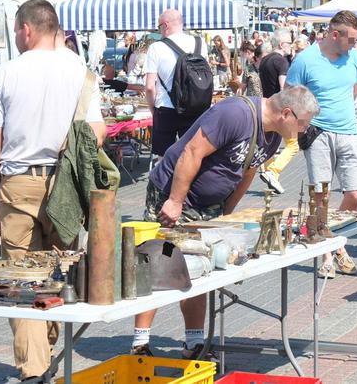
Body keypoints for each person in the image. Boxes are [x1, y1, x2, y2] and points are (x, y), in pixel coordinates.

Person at [131, 86, 319, 358]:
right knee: (157, 264)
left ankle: (193, 343)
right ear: (286, 114)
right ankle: (140, 342)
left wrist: (226, 214)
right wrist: (174, 200)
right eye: (302, 124)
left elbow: (248, 172)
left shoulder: (273, 136)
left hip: (208, 207)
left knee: (198, 269)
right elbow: (192, 152)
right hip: (174, 196)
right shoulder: (235, 113)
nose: (302, 131)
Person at [0, 0, 106, 381]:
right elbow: (97, 134)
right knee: (57, 272)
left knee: (20, 277)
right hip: (64, 184)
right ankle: (40, 355)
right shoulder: (81, 73)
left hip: (18, 183)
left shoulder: (3, 74)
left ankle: (34, 368)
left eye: (16, 30)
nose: (16, 36)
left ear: (27, 29)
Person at [287, 10, 357, 278]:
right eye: (352, 39)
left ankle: (336, 242)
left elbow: (354, 89)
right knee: (320, 195)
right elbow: (290, 96)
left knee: (354, 193)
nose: (355, 45)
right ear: (335, 34)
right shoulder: (306, 60)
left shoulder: (353, 57)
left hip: (350, 132)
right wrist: (302, 128)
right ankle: (326, 254)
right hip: (318, 133)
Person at [145, 9, 209, 157]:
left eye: (159, 26)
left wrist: (152, 109)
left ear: (166, 25)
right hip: (195, 107)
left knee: (164, 158)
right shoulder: (199, 43)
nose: (159, 30)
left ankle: (167, 180)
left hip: (166, 107)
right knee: (193, 155)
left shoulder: (156, 47)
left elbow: (149, 87)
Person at [259, 28, 297, 194]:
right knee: (293, 144)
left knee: (271, 145)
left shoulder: (265, 60)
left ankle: (271, 177)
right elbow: (283, 87)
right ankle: (273, 172)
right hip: (280, 108)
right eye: (289, 42)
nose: (291, 46)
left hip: (266, 105)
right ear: (282, 44)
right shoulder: (281, 62)